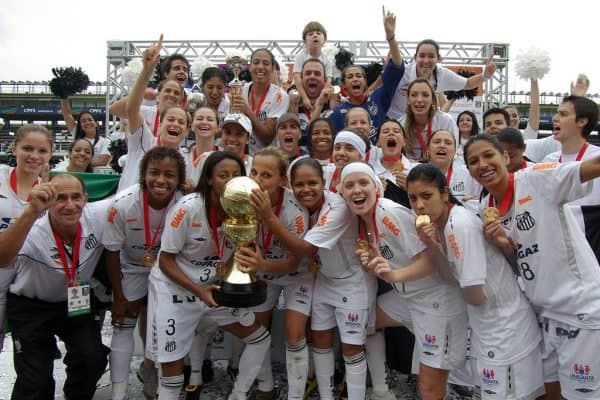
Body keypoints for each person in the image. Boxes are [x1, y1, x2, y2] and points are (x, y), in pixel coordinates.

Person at [463, 134, 600, 400]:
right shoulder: (485, 207)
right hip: (543, 315)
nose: (482, 164)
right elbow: (518, 262)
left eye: (488, 155)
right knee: (546, 393)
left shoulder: (537, 179)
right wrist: (502, 243)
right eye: (473, 161)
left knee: (581, 395)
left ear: (506, 157)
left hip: (580, 308)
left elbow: (592, 167)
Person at [406, 163, 544, 400]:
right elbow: (451, 279)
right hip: (489, 328)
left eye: (426, 196)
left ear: (445, 193)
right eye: (413, 198)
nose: (419, 205)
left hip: (505, 328)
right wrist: (432, 246)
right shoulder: (440, 225)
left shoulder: (460, 225)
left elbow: (475, 296)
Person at [147, 151, 277, 400]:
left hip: (212, 288)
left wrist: (249, 256)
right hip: (176, 289)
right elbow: (165, 260)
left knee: (260, 338)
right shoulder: (187, 208)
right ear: (208, 179)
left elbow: (239, 252)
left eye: (236, 175)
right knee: (172, 372)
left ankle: (238, 395)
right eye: (223, 175)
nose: (230, 181)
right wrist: (198, 291)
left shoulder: (245, 209)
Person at [340, 162, 467, 400]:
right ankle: (381, 389)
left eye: (363, 183)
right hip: (408, 297)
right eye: (350, 185)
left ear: (376, 187)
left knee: (429, 386)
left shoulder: (387, 213)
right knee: (365, 322)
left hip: (436, 301)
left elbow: (429, 263)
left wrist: (392, 275)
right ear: (342, 193)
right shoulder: (362, 220)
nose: (357, 190)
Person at [252, 158, 375, 400]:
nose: (306, 190)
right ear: (290, 184)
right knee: (319, 340)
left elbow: (306, 250)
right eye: (299, 184)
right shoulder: (295, 202)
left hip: (351, 280)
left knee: (351, 348)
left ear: (324, 182)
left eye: (312, 183)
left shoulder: (337, 208)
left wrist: (268, 217)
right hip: (323, 279)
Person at [0, 173, 110, 399]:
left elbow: (137, 193)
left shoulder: (96, 216)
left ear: (86, 199)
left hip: (73, 303)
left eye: (75, 197)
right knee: (35, 381)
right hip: (30, 307)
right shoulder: (32, 230)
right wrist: (31, 211)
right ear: (49, 202)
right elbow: (1, 259)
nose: (70, 206)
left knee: (93, 358)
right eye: (60, 198)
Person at [102, 147, 185, 400]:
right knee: (123, 322)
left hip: (167, 267)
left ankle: (150, 371)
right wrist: (118, 295)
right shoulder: (123, 204)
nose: (161, 180)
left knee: (162, 324)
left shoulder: (185, 202)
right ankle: (119, 390)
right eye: (154, 173)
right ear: (143, 175)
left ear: (179, 179)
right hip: (131, 266)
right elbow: (112, 251)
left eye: (169, 174)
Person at [240, 147, 311, 400]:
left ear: (283, 180)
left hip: (296, 275)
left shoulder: (295, 209)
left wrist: (269, 218)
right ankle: (266, 386)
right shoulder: (242, 198)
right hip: (264, 272)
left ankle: (295, 394)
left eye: (267, 175)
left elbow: (295, 262)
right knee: (257, 330)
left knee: (293, 334)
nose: (258, 179)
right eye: (254, 172)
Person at [0, 124, 53, 352]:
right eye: (27, 148)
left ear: (50, 154)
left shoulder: (48, 192)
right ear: (14, 148)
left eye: (42, 151)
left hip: (22, 280)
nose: (34, 156)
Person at [119, 35, 190, 192]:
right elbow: (131, 109)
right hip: (127, 214)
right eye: (170, 119)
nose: (175, 124)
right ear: (161, 124)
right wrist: (146, 70)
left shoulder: (186, 160)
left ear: (187, 130)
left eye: (181, 122)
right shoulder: (144, 141)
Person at [329, 6, 404, 143]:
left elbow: (397, 69)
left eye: (359, 76)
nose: (355, 79)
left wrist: (391, 37)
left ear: (365, 81)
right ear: (344, 86)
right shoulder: (337, 113)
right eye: (350, 77)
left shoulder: (378, 98)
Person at [386, 38, 496, 120]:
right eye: (422, 56)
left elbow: (468, 84)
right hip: (393, 120)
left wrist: (485, 76)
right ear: (415, 58)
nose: (426, 60)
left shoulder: (442, 75)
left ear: (438, 58)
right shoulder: (403, 72)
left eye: (431, 56)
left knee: (426, 152)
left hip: (419, 123)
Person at [230, 48, 289, 154]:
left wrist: (247, 111)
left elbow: (267, 137)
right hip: (242, 155)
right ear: (250, 67)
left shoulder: (279, 96)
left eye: (266, 63)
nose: (260, 67)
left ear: (272, 69)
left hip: (267, 157)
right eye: (256, 62)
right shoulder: (240, 89)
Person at [400, 79, 458, 160]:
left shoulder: (446, 122)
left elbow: (452, 156)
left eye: (425, 95)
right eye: (414, 95)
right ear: (408, 99)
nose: (419, 100)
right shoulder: (400, 124)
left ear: (432, 100)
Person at [426, 129, 481, 201]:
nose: (442, 145)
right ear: (427, 149)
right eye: (436, 142)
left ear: (455, 151)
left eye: (448, 143)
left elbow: (482, 203)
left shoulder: (469, 173)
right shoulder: (416, 174)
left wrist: (468, 203)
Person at [292, 21, 332, 112]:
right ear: (305, 41)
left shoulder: (327, 59)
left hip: (319, 88)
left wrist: (321, 97)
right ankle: (294, 121)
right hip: (299, 88)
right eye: (310, 34)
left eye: (318, 33)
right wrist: (304, 97)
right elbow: (297, 78)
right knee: (294, 95)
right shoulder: (301, 56)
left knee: (333, 95)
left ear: (324, 40)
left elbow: (328, 80)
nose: (315, 35)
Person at [288, 58, 330, 142]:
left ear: (324, 80)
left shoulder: (333, 104)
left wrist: (320, 103)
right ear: (301, 79)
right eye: (308, 73)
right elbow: (293, 138)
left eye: (317, 74)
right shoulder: (290, 101)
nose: (312, 76)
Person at [60, 99, 111, 167]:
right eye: (83, 121)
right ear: (80, 126)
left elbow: (102, 161)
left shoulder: (105, 142)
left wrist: (79, 163)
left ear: (96, 123)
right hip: (76, 174)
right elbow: (67, 115)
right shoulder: (77, 135)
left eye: (90, 120)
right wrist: (63, 96)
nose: (87, 122)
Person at [184, 106, 220, 184]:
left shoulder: (223, 157)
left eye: (210, 119)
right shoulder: (182, 154)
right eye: (199, 119)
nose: (204, 122)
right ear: (191, 126)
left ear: (217, 127)